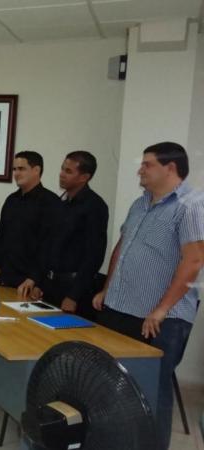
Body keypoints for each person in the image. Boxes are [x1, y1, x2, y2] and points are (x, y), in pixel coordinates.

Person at [92, 142, 203, 450]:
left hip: (160, 318)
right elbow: (122, 249)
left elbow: (193, 260)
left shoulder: (191, 205)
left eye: (147, 164)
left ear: (170, 168)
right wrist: (107, 288)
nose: (140, 169)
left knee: (152, 388)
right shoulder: (139, 203)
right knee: (111, 381)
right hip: (119, 306)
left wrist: (161, 309)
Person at [30, 151, 108, 318]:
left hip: (72, 288)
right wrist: (39, 282)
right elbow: (48, 246)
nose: (61, 174)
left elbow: (94, 255)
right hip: (50, 285)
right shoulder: (60, 203)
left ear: (84, 177)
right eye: (62, 169)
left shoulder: (95, 206)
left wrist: (74, 295)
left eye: (68, 171)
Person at [0, 150, 61, 298]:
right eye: (14, 169)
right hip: (7, 276)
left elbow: (49, 246)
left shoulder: (50, 202)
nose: (16, 173)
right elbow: (2, 236)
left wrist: (35, 278)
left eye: (21, 169)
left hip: (31, 282)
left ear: (36, 170)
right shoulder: (11, 200)